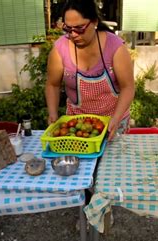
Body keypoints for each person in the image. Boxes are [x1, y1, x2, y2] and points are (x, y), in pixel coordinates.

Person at [45, 0, 135, 141]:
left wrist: (116, 119)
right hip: (77, 126)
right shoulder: (60, 49)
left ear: (94, 22)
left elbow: (128, 87)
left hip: (114, 122)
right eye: (68, 29)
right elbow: (52, 84)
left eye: (79, 28)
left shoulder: (115, 47)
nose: (73, 34)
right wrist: (52, 113)